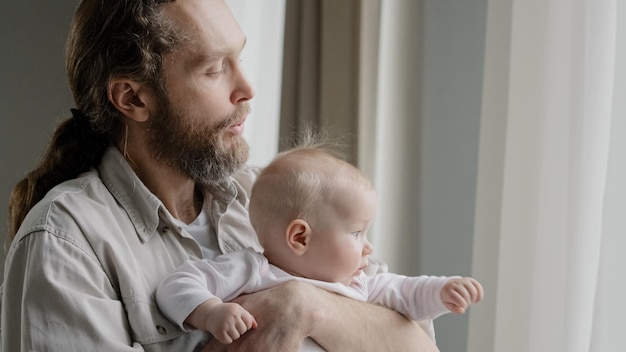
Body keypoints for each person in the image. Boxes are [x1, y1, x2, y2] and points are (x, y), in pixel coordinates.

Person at [1, 0, 444, 351]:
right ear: (133, 98)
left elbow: (420, 346)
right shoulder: (66, 244)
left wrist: (306, 306)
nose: (247, 89)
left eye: (240, 58)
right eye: (214, 69)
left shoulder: (271, 193)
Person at [155, 145, 484, 349]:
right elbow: (178, 285)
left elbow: (407, 294)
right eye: (357, 233)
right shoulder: (254, 271)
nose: (368, 248)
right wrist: (210, 312)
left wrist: (442, 291)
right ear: (300, 238)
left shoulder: (358, 284)